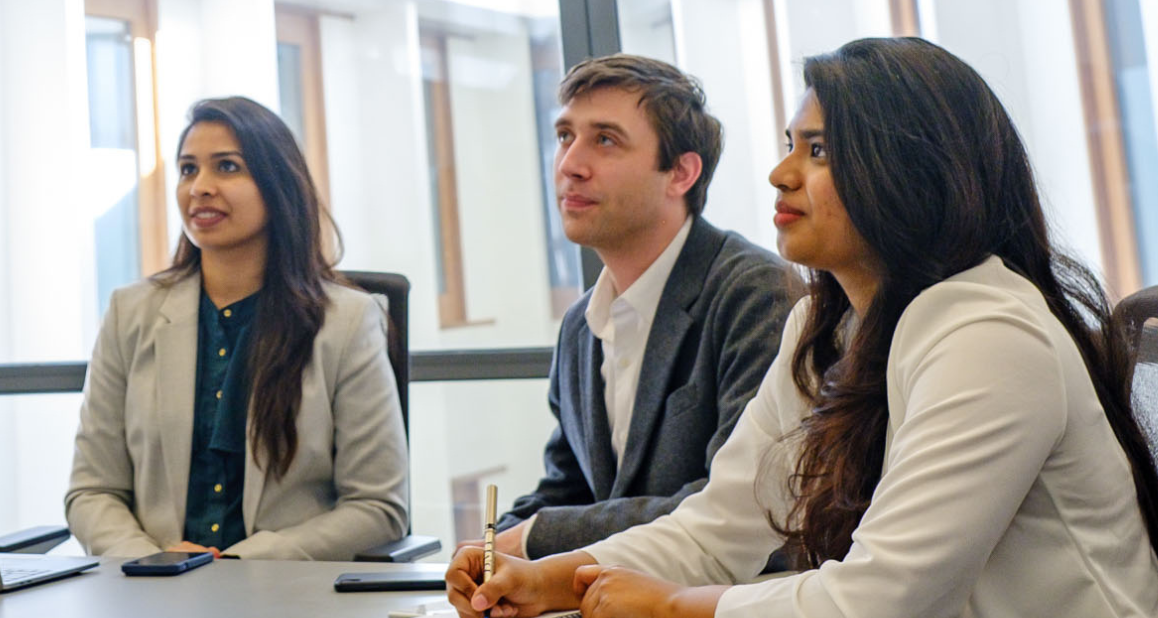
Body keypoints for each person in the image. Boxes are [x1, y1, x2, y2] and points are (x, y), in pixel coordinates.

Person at [446, 37, 1158, 617]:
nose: (780, 174)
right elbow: (721, 524)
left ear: (909, 172)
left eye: (817, 151)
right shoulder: (827, 328)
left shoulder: (989, 332)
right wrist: (553, 577)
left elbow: (883, 597)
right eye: (792, 144)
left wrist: (674, 606)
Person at [66, 97, 409, 561]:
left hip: (285, 598)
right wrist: (151, 560)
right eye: (188, 170)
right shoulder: (131, 314)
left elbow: (378, 507)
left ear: (277, 183)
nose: (200, 188)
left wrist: (239, 566)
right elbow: (92, 491)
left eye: (227, 167)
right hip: (153, 596)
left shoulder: (346, 321)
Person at [483, 54, 791, 560]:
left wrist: (537, 538)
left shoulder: (756, 293)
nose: (569, 165)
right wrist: (490, 548)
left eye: (604, 139)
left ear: (681, 173)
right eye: (565, 136)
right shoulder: (580, 326)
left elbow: (738, 506)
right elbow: (569, 490)